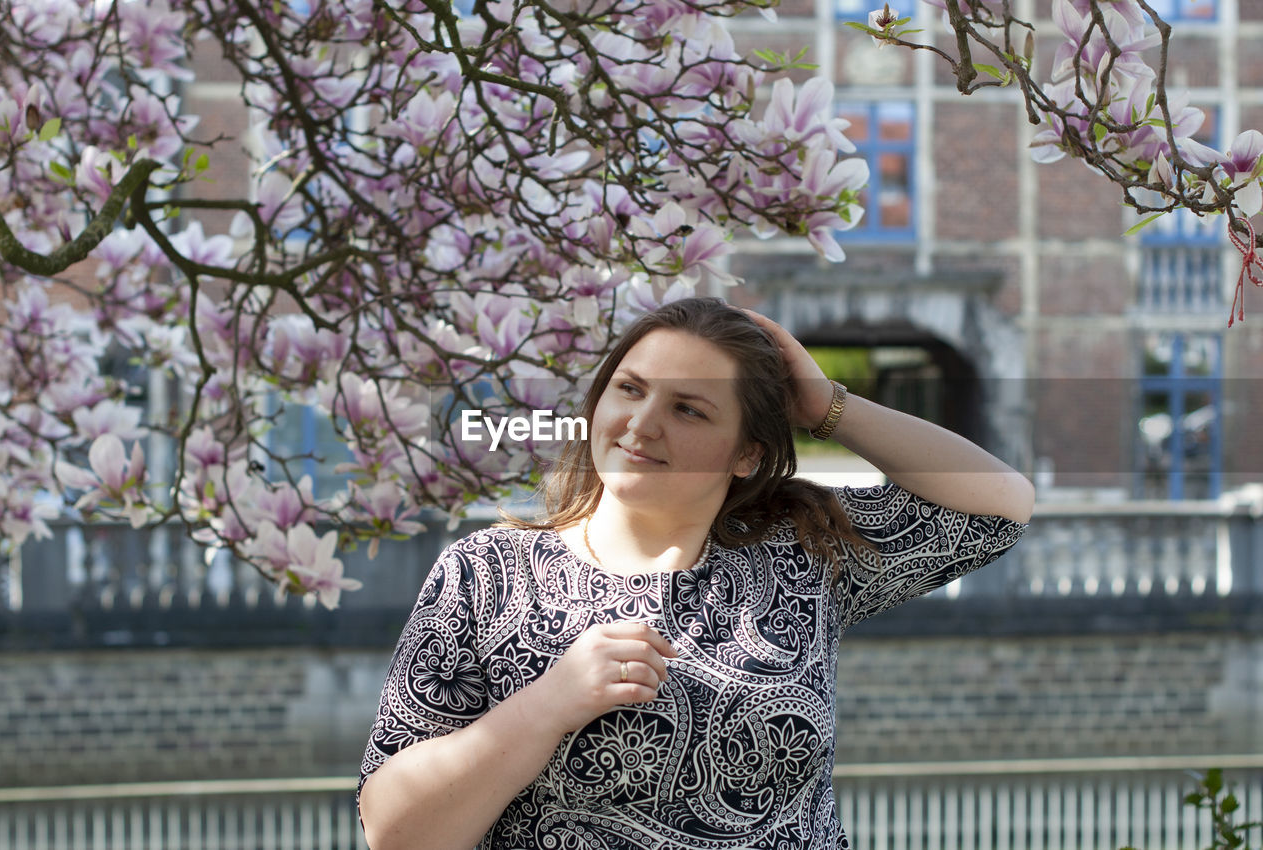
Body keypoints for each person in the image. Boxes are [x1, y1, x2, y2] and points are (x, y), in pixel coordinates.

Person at [357, 297, 1034, 849]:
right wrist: (546, 706)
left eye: (688, 408)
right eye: (629, 389)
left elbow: (999, 503)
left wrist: (826, 404)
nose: (640, 425)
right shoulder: (487, 574)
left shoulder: (801, 554)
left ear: (747, 452)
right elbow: (394, 830)